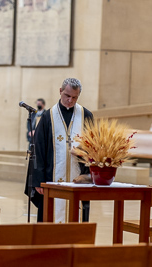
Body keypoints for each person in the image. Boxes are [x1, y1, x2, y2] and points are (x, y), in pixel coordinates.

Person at [25, 78, 93, 222]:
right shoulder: (47, 117)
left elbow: (94, 147)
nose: (70, 100)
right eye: (67, 96)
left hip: (78, 180)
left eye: (74, 97)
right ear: (60, 91)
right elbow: (38, 150)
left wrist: (84, 154)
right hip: (51, 179)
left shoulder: (86, 116)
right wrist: (38, 181)